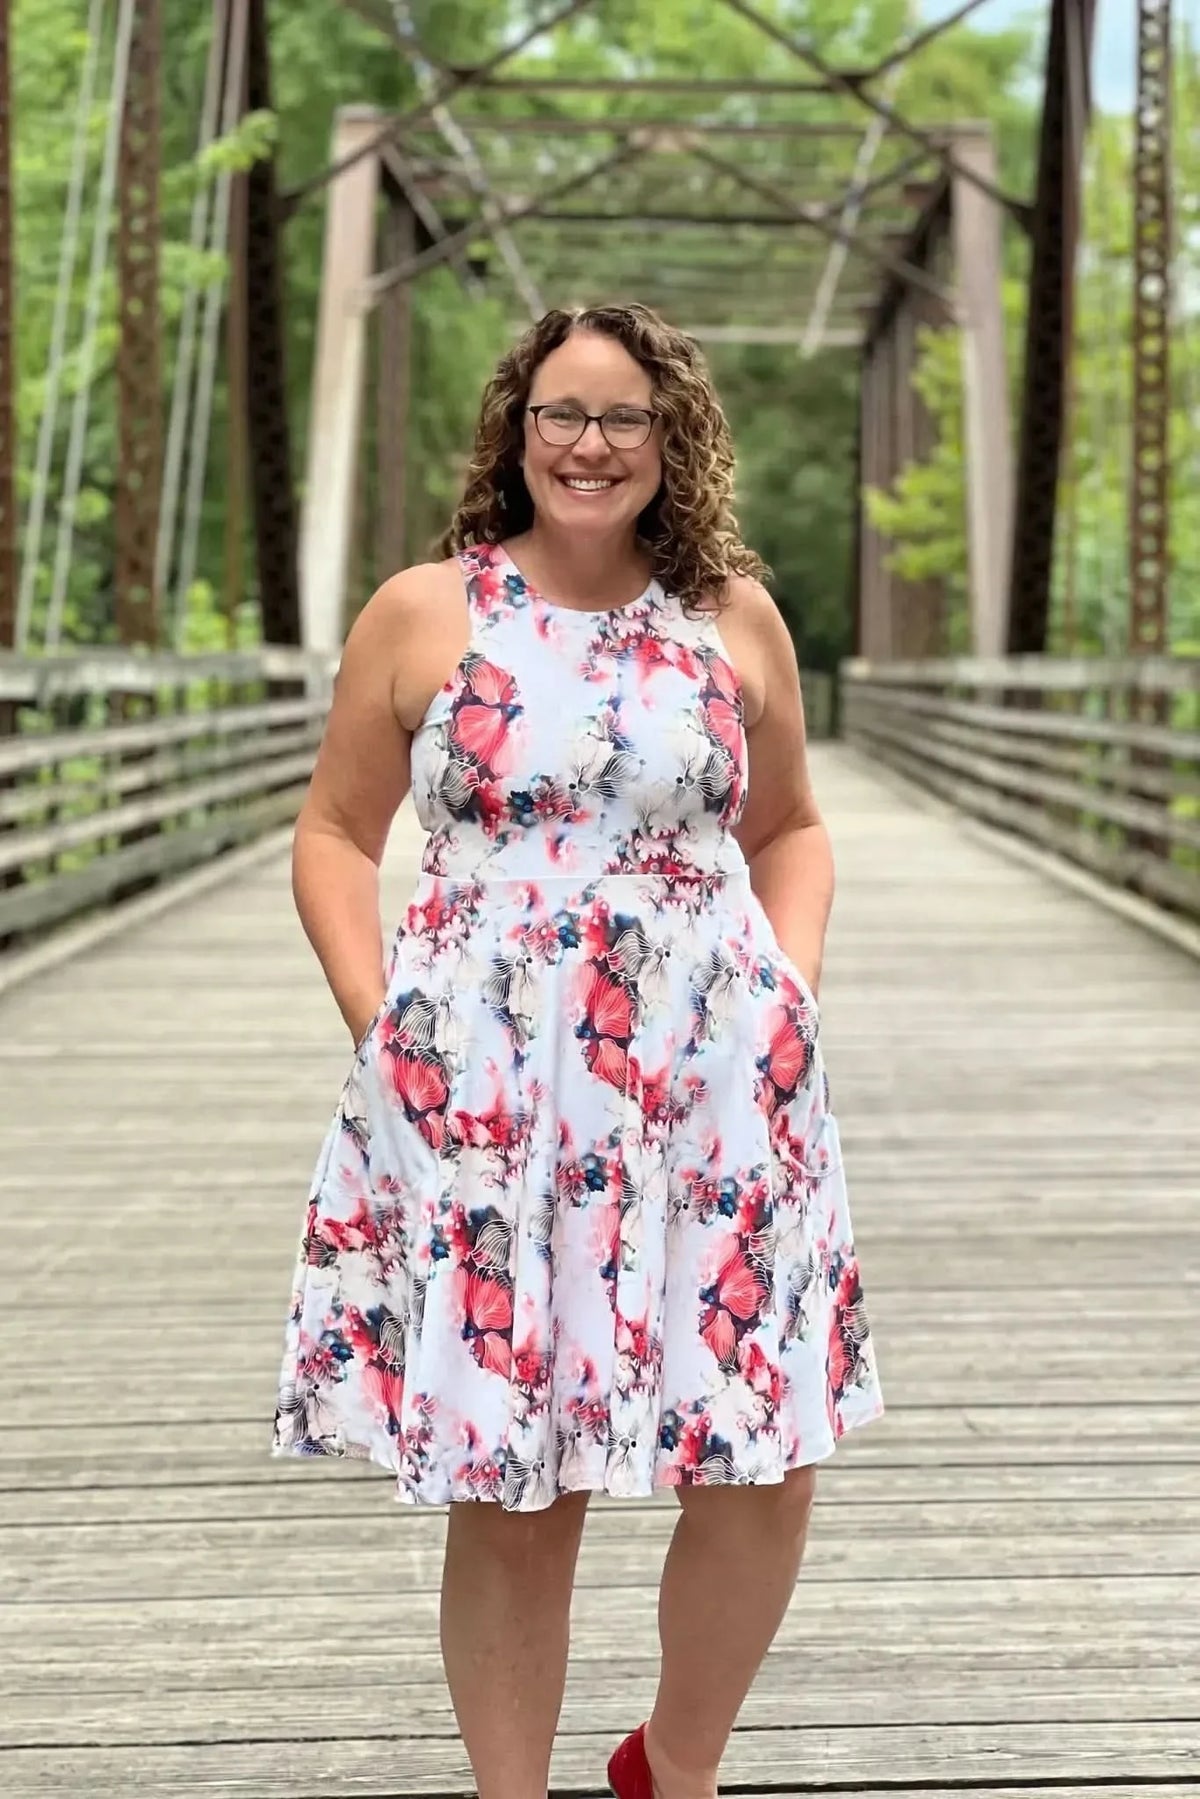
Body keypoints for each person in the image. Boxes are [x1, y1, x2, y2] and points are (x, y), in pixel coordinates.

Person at [273, 302, 883, 1799]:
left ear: (672, 443)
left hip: (721, 1088)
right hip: (492, 1096)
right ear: (517, 429)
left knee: (761, 1455)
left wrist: (786, 997)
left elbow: (790, 825)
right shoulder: (428, 613)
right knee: (517, 1467)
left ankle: (677, 1766)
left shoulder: (734, 617)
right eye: (562, 412)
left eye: (623, 417)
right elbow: (337, 833)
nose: (590, 443)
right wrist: (383, 1028)